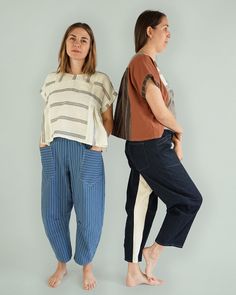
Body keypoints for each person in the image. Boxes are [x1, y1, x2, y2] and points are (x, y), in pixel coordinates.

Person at [112, 10, 202, 287]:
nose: (169, 33)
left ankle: (132, 272)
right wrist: (180, 131)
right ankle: (154, 251)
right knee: (189, 199)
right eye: (165, 27)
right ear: (149, 31)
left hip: (150, 144)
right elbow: (159, 110)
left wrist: (173, 137)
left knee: (141, 207)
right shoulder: (141, 61)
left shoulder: (150, 64)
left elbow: (160, 111)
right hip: (149, 146)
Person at [39, 22, 116, 290]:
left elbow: (109, 120)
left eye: (84, 40)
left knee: (90, 213)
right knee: (52, 212)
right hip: (54, 149)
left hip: (86, 151)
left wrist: (99, 146)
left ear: (90, 47)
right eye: (72, 38)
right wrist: (43, 145)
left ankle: (87, 265)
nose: (77, 43)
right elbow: (47, 116)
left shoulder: (100, 81)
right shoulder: (50, 80)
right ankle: (62, 264)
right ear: (65, 44)